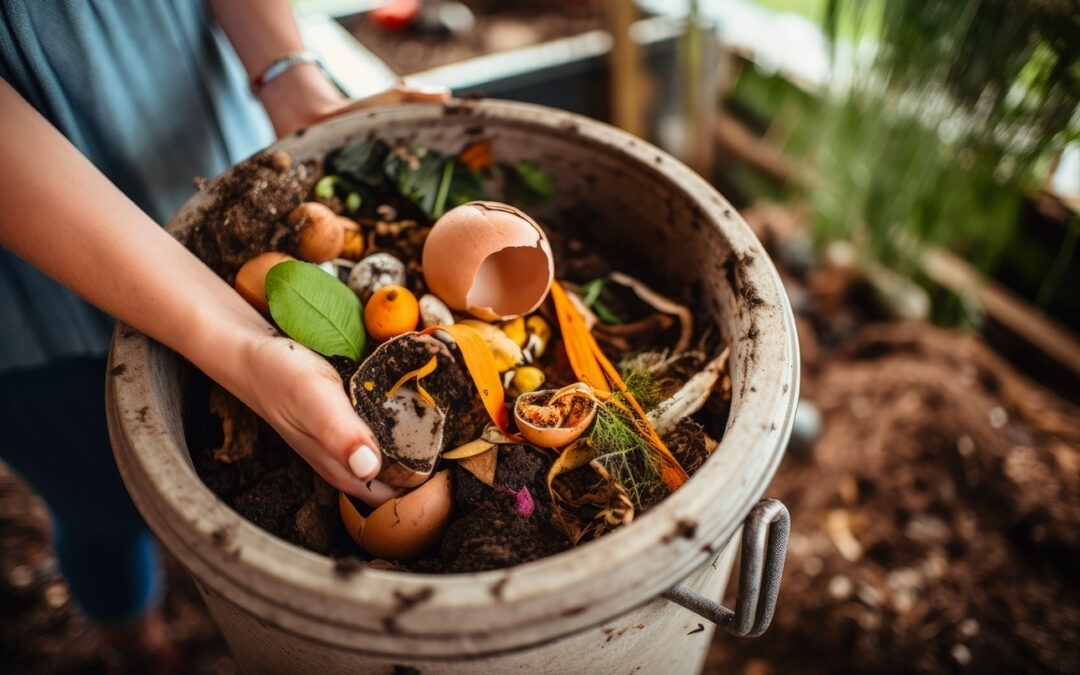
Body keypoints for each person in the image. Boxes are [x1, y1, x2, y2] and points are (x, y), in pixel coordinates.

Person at [0, 0, 445, 666]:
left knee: (227, 451)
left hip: (194, 119)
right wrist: (241, 340)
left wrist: (288, 75)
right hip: (39, 284)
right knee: (99, 504)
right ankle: (137, 639)